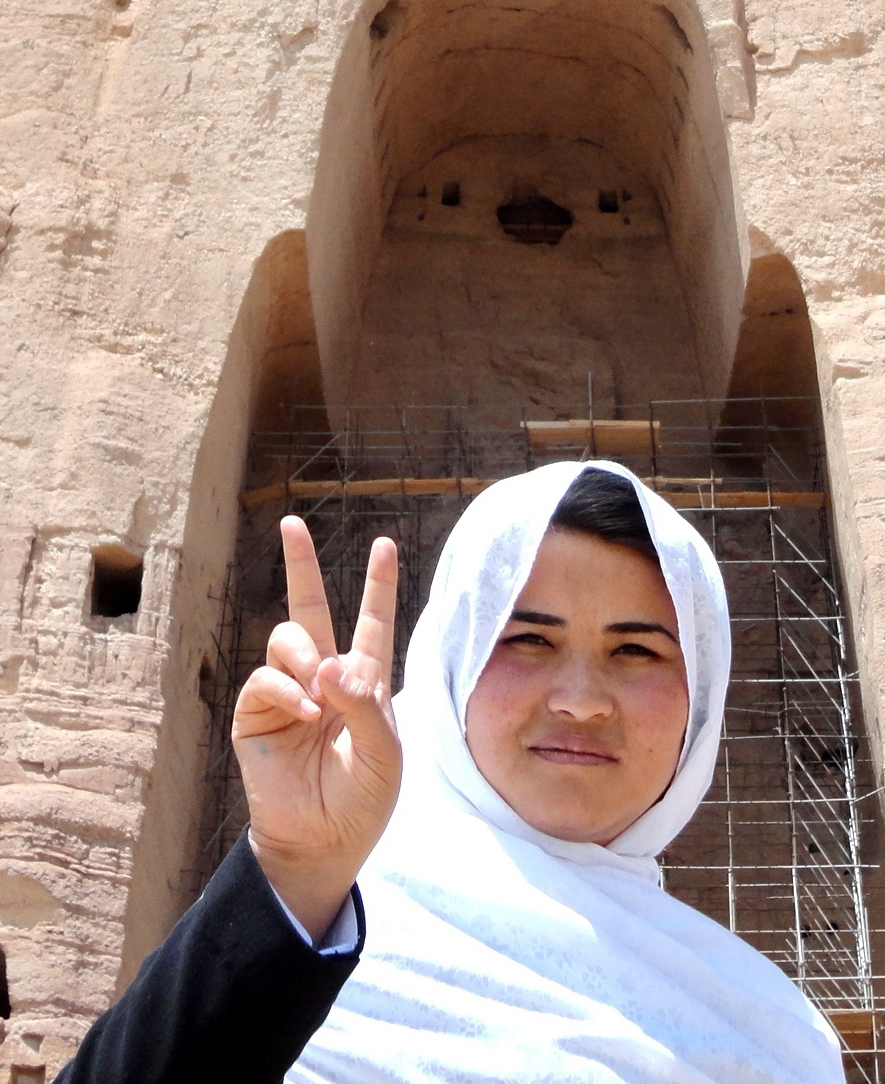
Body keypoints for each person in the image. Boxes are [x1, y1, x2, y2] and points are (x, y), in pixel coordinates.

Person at [56, 461, 844, 1083]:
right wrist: (294, 869)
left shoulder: (775, 1034)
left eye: (634, 650)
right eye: (527, 640)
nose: (579, 700)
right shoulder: (318, 933)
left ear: (699, 698)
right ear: (451, 664)